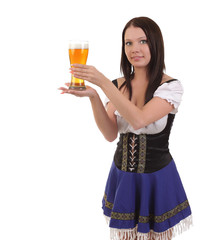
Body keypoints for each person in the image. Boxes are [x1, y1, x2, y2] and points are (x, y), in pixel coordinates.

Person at [59, 17, 192, 240]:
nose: (134, 49)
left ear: (155, 45)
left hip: (157, 179)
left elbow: (139, 120)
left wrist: (102, 82)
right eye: (128, 43)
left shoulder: (170, 87)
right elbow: (110, 134)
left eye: (143, 41)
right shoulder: (117, 84)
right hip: (123, 177)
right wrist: (93, 96)